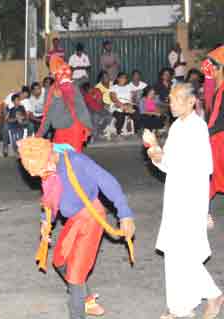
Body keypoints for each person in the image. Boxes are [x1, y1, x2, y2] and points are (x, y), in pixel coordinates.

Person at [17, 137, 135, 319]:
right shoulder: (47, 168)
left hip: (91, 217)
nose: (40, 175)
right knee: (60, 260)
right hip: (75, 219)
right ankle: (85, 298)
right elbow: (50, 198)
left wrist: (125, 214)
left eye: (41, 170)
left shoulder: (77, 161)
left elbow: (108, 182)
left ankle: (78, 307)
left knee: (76, 274)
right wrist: (45, 222)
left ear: (50, 156)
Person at [145, 83, 223, 319]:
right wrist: (155, 152)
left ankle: (212, 294)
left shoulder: (197, 128)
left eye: (178, 99)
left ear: (192, 101)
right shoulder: (178, 126)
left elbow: (201, 167)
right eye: (170, 99)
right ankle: (181, 308)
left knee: (183, 254)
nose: (173, 103)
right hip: (176, 196)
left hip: (190, 197)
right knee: (174, 252)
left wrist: (162, 154)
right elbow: (168, 163)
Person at [37, 55, 92, 152]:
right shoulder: (51, 91)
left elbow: (81, 109)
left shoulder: (70, 87)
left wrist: (88, 127)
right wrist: (38, 136)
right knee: (59, 161)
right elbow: (47, 117)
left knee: (72, 162)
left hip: (74, 129)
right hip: (60, 129)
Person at [206, 46, 224, 203]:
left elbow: (221, 120)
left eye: (210, 64)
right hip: (216, 139)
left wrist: (205, 133)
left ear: (219, 68)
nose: (207, 67)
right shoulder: (216, 88)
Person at [110, 72, 140, 136]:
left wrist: (130, 104)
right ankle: (118, 132)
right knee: (120, 115)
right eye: (122, 78)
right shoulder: (114, 87)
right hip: (117, 105)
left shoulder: (129, 87)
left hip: (128, 105)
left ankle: (136, 131)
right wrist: (123, 106)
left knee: (136, 112)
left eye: (125, 78)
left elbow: (132, 99)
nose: (123, 79)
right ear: (118, 79)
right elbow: (114, 98)